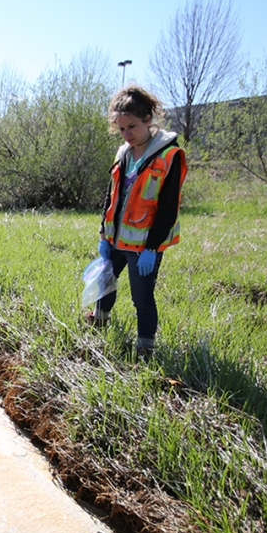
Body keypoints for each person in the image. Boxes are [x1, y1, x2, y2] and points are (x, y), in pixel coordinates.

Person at [89, 85, 186, 358]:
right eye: (121, 129)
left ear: (147, 119)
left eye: (131, 126)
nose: (126, 134)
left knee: (142, 298)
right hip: (116, 239)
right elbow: (111, 198)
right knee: (104, 281)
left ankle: (145, 347)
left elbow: (168, 208)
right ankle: (99, 320)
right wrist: (103, 236)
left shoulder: (169, 155)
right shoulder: (123, 154)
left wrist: (152, 249)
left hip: (144, 246)